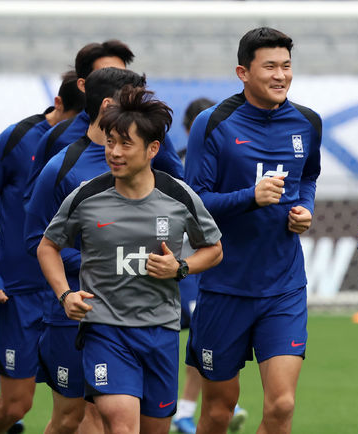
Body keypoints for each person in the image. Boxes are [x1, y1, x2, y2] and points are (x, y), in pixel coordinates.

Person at [36, 85, 223, 433]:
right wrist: (65, 294)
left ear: (153, 149)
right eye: (110, 142)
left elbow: (214, 249)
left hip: (161, 332)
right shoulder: (87, 197)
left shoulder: (178, 196)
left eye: (125, 144)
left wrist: (181, 267)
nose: (114, 152)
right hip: (106, 332)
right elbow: (47, 246)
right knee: (122, 425)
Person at [184, 27, 321, 433]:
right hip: (225, 288)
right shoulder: (213, 124)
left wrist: (305, 210)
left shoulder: (307, 123)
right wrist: (250, 197)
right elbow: (193, 203)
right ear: (244, 72)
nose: (281, 75)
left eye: (287, 66)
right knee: (218, 411)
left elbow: (309, 177)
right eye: (270, 67)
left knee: (281, 405)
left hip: (284, 287)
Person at [24, 67, 147, 434]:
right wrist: (95, 262)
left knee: (117, 418)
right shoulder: (62, 168)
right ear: (108, 105)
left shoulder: (145, 158)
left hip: (133, 313)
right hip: (73, 313)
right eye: (133, 100)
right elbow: (37, 240)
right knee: (72, 418)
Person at [0, 70, 83, 434]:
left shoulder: (106, 147)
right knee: (15, 405)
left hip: (73, 293)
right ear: (58, 105)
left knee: (81, 409)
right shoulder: (17, 139)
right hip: (18, 294)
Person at [172, 97, 248, 434]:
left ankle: (191, 408)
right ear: (192, 129)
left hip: (216, 263)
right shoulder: (178, 163)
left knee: (201, 341)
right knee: (197, 339)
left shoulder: (229, 160)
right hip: (186, 266)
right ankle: (193, 406)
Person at [25, 39, 183, 200]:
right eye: (108, 73)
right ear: (84, 85)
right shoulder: (57, 139)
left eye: (122, 73)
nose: (119, 79)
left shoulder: (147, 131)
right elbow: (36, 202)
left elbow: (179, 188)